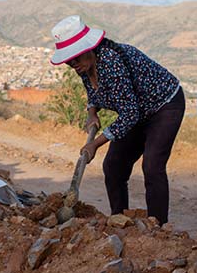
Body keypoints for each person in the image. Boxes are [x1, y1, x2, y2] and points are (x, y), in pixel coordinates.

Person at [50, 15, 185, 224]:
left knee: (152, 165)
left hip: (164, 106)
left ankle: (158, 227)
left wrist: (95, 144)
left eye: (75, 58)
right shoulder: (84, 66)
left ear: (89, 49)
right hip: (137, 111)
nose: (73, 63)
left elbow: (129, 115)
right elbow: (94, 92)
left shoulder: (111, 61)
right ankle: (119, 219)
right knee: (113, 166)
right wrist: (91, 113)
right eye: (69, 61)